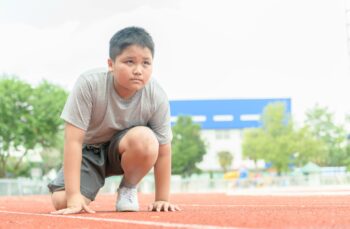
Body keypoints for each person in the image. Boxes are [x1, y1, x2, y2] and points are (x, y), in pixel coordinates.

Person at [48, 26, 181, 214]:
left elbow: (164, 150)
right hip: (89, 153)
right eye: (129, 62)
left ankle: (128, 188)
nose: (138, 70)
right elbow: (73, 141)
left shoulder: (156, 95)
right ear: (111, 64)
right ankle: (88, 183)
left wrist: (162, 199)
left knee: (146, 139)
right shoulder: (89, 84)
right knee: (62, 202)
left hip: (125, 150)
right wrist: (74, 195)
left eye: (146, 63)